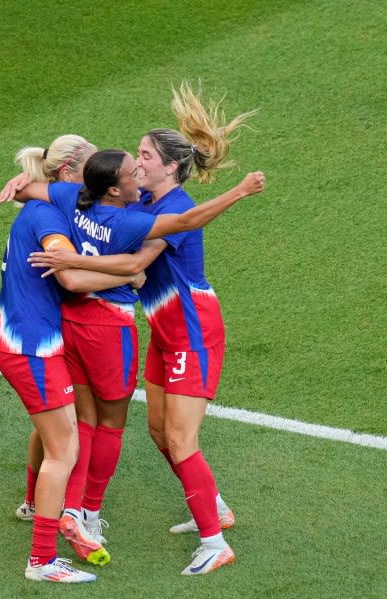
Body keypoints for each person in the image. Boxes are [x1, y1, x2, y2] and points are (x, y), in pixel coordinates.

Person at [25, 82, 258, 575]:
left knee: (180, 438)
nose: (139, 162)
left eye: (146, 156)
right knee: (156, 431)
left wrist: (68, 265)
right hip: (164, 332)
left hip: (193, 331)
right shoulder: (143, 204)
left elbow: (136, 261)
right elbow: (97, 207)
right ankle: (214, 507)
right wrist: (32, 187)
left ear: (169, 166)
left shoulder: (173, 208)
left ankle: (215, 543)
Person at [0, 162, 143, 583]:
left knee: (52, 431)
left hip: (24, 340)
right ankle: (41, 561)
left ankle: (30, 504)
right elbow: (72, 277)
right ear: (67, 171)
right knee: (65, 449)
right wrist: (130, 270)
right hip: (32, 347)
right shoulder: (49, 218)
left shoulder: (44, 209)